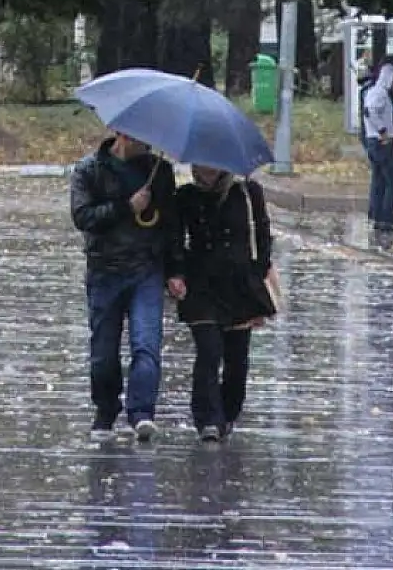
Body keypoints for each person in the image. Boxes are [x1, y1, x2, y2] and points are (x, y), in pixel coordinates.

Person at [70, 132, 186, 443]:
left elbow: (171, 224)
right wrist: (126, 207)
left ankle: (142, 412)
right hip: (104, 271)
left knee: (146, 343)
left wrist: (175, 270)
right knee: (104, 353)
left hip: (146, 270)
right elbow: (83, 217)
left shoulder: (158, 171)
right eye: (139, 137)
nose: (147, 142)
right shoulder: (89, 170)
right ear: (122, 134)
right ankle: (106, 411)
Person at [172, 165, 275, 442]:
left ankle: (228, 414)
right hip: (201, 286)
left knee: (237, 358)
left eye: (211, 165)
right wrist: (176, 273)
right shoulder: (185, 197)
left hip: (239, 285)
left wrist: (259, 270)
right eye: (200, 165)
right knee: (209, 350)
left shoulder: (247, 192)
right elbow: (174, 239)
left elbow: (263, 234)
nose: (205, 171)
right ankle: (207, 418)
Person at [363, 62, 393, 231]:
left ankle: (378, 216)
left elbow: (380, 112)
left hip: (375, 142)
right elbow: (371, 111)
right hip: (381, 143)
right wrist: (383, 132)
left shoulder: (378, 93)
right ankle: (387, 217)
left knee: (380, 181)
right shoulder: (379, 93)